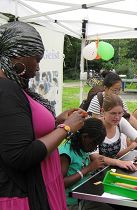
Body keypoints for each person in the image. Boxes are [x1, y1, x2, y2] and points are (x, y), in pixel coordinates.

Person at [0, 21, 88, 210]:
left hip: (41, 184)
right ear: (18, 57)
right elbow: (20, 155)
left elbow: (21, 130)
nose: (38, 68)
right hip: (22, 196)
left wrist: (56, 121)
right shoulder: (5, 88)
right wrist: (66, 128)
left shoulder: (12, 87)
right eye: (37, 59)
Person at [59, 118, 114, 210]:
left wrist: (95, 169)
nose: (94, 148)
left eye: (97, 145)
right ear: (84, 136)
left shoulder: (82, 147)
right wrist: (88, 168)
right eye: (93, 143)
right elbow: (61, 183)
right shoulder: (66, 153)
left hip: (83, 198)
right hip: (69, 203)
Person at [87, 70, 137, 141]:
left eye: (119, 90)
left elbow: (129, 117)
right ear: (106, 88)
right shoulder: (97, 100)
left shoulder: (119, 100)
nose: (117, 93)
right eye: (115, 90)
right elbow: (96, 125)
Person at [98, 94, 137, 171]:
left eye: (120, 113)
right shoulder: (96, 127)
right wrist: (118, 162)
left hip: (113, 169)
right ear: (103, 111)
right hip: (97, 171)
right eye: (113, 113)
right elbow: (94, 156)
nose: (117, 117)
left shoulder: (121, 122)